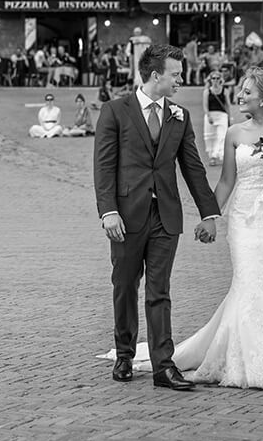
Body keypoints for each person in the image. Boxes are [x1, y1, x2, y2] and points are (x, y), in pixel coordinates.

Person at [128, 67, 263, 390]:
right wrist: (210, 216)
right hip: (244, 222)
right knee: (249, 284)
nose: (239, 95)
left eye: (247, 91)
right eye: (241, 90)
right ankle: (245, 364)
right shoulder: (234, 133)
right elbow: (227, 180)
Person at [93, 44, 220, 389]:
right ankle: (124, 355)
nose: (181, 79)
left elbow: (192, 167)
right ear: (155, 76)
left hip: (166, 216)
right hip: (125, 216)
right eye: (176, 74)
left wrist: (208, 212)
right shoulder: (115, 111)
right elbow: (104, 167)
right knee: (124, 286)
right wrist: (108, 211)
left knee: (159, 290)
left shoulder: (179, 115)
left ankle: (164, 367)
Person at [202, 70, 231, 166]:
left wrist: (229, 117)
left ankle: (219, 155)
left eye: (217, 78)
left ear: (220, 79)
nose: (215, 80)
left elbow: (228, 105)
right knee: (210, 136)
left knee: (222, 136)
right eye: (213, 78)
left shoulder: (225, 91)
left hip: (222, 115)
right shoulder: (207, 91)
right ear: (210, 80)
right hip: (211, 115)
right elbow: (205, 105)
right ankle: (212, 157)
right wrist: (208, 115)